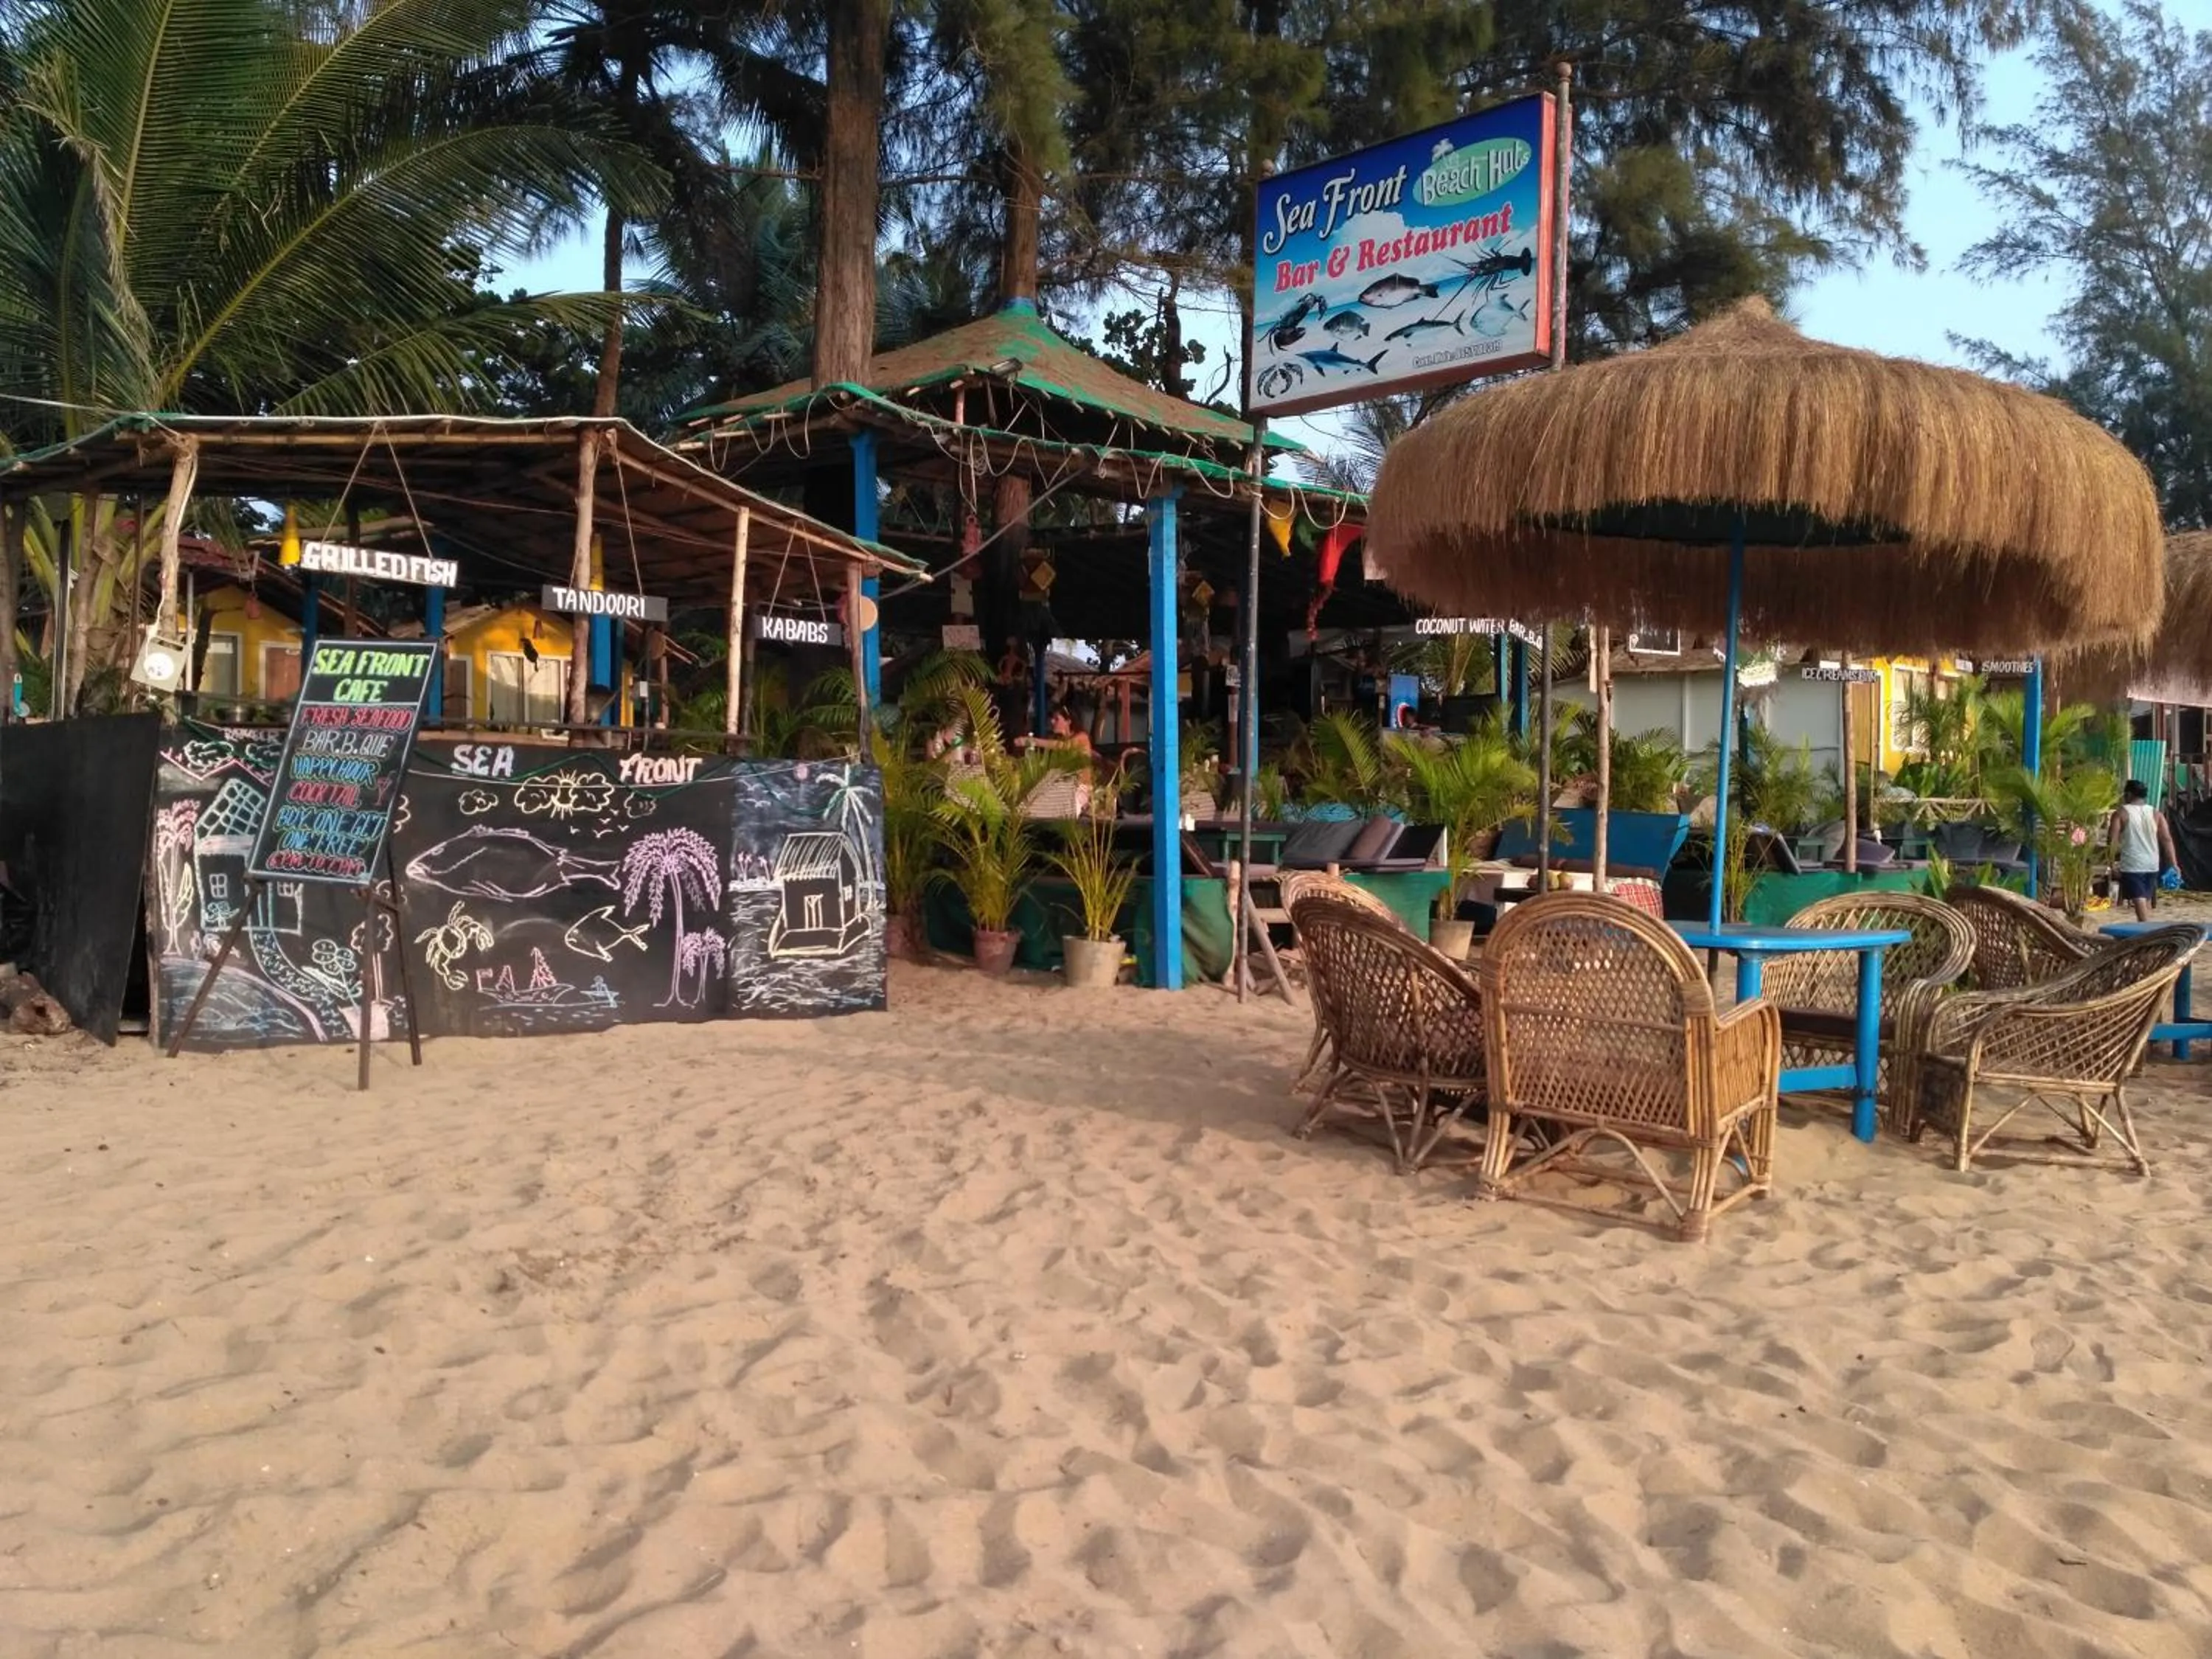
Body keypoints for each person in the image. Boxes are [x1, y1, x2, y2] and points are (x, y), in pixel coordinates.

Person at [2108, 778, 2179, 922]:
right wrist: (2174, 863)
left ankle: (2147, 931)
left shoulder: (2120, 813)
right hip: (2152, 864)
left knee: (2139, 900)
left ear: (2128, 795)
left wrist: (2111, 864)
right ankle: (2147, 928)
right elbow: (2167, 840)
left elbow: (2112, 841)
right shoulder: (2156, 814)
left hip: (2133, 864)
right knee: (2145, 899)